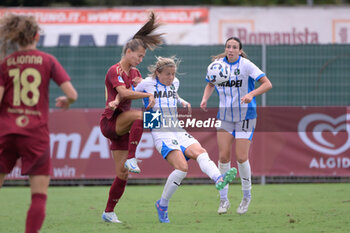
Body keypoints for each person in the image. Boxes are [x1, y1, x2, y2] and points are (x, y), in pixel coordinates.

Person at [135, 56, 237, 223]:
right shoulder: (147, 83)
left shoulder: (175, 83)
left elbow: (173, 95)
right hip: (160, 130)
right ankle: (162, 204)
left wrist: (182, 101)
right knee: (182, 168)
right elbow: (129, 93)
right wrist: (142, 96)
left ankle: (219, 178)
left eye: (173, 74)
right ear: (158, 73)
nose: (171, 77)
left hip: (177, 128)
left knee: (201, 152)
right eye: (167, 74)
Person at [0, 14, 78, 233]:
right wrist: (67, 100)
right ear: (36, 36)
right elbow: (72, 93)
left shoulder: (6, 63)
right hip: (35, 134)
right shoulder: (47, 60)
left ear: (16, 38)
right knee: (38, 195)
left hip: (6, 132)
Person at [99, 11, 163, 223]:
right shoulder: (114, 70)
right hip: (111, 122)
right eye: (139, 56)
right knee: (142, 116)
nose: (141, 59)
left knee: (122, 174)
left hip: (125, 125)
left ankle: (108, 212)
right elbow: (126, 93)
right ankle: (134, 157)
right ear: (128, 52)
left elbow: (138, 87)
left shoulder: (134, 73)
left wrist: (157, 87)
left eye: (143, 56)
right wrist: (146, 94)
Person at [200, 37, 272, 215]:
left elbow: (267, 84)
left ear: (240, 51)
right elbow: (210, 83)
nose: (230, 49)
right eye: (228, 46)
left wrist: (251, 94)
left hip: (245, 115)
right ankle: (224, 200)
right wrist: (204, 99)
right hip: (225, 116)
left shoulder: (246, 65)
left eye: (234, 47)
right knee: (223, 157)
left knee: (241, 157)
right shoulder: (217, 65)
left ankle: (246, 196)